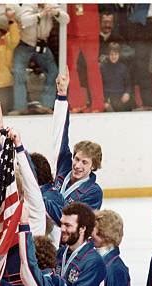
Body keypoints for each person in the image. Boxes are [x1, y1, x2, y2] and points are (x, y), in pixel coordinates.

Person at [50, 68, 103, 214]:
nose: (78, 165)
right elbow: (60, 133)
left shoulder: (93, 192)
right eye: (77, 159)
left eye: (84, 162)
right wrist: (61, 95)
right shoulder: (64, 166)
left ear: (94, 166)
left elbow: (75, 222)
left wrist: (45, 202)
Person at [11, 4, 69, 114]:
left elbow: (66, 19)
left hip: (42, 45)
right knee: (18, 72)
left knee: (53, 71)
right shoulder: (28, 5)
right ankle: (20, 107)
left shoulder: (51, 5)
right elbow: (24, 21)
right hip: (25, 44)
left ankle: (46, 105)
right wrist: (41, 14)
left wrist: (55, 13)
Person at [67, 3, 104, 113]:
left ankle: (97, 104)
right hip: (73, 29)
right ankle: (78, 103)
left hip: (89, 30)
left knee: (92, 67)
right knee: (71, 67)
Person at [100, 43, 132, 112]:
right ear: (108, 55)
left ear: (119, 55)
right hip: (107, 98)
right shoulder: (102, 68)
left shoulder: (123, 68)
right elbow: (99, 86)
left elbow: (128, 84)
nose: (114, 57)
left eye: (116, 54)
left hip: (121, 98)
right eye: (111, 54)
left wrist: (127, 93)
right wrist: (104, 101)